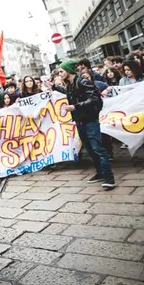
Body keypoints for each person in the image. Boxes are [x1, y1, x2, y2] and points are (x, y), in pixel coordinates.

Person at [50, 59, 116, 189]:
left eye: (61, 71)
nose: (60, 74)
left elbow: (94, 99)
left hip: (90, 120)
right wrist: (54, 86)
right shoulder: (70, 84)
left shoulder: (83, 81)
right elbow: (70, 93)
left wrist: (75, 106)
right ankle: (100, 174)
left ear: (69, 70)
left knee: (98, 149)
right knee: (90, 149)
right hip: (80, 121)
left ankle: (109, 178)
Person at [118, 59, 144, 159]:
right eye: (125, 70)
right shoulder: (123, 81)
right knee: (141, 129)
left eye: (129, 70)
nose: (127, 72)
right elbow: (121, 93)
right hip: (133, 108)